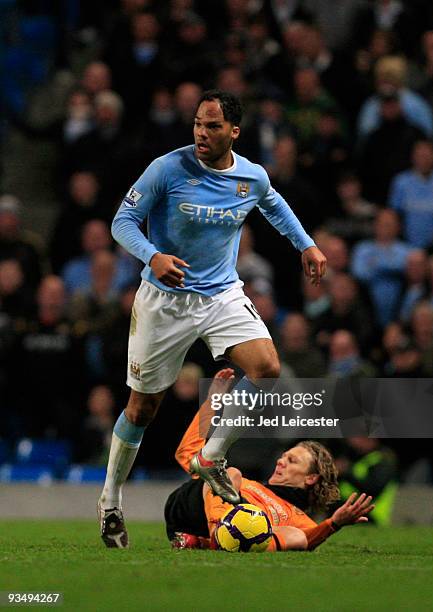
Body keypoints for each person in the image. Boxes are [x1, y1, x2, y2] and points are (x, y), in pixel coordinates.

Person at [97, 89, 327, 548]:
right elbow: (122, 221)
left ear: (234, 132)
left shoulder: (250, 176)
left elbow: (274, 204)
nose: (202, 133)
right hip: (165, 299)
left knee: (267, 368)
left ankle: (212, 456)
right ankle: (110, 501)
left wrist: (306, 244)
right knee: (141, 408)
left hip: (221, 294)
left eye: (213, 126)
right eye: (199, 124)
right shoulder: (168, 168)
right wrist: (153, 255)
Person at [165, 369, 374, 551]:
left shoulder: (298, 519)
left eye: (292, 461)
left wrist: (333, 524)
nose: (280, 462)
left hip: (203, 531)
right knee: (231, 473)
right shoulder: (246, 485)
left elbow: (308, 540)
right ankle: (218, 535)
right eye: (283, 457)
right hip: (188, 509)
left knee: (297, 538)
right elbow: (187, 453)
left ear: (311, 478)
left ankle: (205, 543)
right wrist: (212, 402)